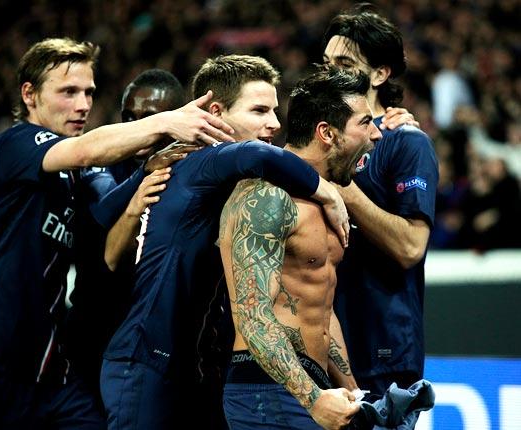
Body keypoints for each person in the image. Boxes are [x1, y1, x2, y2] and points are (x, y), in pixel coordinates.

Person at [0, 37, 235, 429]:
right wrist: (165, 120)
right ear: (29, 94)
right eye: (68, 92)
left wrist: (147, 172)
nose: (82, 105)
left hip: (49, 365)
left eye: (89, 93)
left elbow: (102, 207)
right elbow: (84, 151)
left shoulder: (72, 173)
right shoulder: (16, 145)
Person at [100, 55, 352, 430]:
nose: (274, 123)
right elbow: (256, 153)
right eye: (259, 110)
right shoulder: (203, 160)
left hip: (186, 363)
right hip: (147, 363)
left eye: (274, 110)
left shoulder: (217, 176)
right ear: (215, 112)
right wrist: (326, 192)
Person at [219, 67, 381, 430]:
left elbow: (320, 304)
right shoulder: (265, 196)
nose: (376, 134)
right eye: (366, 123)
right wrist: (312, 398)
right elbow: (251, 313)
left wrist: (353, 394)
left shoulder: (328, 199)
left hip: (311, 384)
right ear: (327, 132)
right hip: (266, 388)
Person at [323, 6, 439, 398]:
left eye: (345, 63)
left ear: (379, 74)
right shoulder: (317, 144)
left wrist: (341, 186)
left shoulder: (406, 142)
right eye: (326, 63)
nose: (331, 73)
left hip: (382, 350)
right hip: (319, 348)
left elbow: (410, 247)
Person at [63, 68, 189, 404]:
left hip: (154, 344)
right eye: (129, 117)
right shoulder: (99, 167)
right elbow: (105, 209)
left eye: (149, 118)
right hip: (93, 334)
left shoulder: (190, 172)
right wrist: (145, 173)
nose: (137, 127)